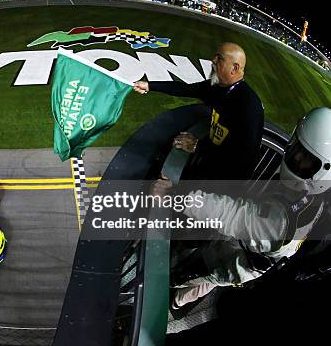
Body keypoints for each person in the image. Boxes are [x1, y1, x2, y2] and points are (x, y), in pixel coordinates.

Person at [153, 107, 330, 317]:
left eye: (306, 160)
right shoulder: (313, 191)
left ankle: (172, 303)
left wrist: (178, 196)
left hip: (239, 260)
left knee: (197, 275)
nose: (297, 159)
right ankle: (176, 302)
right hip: (247, 249)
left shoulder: (281, 220)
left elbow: (231, 215)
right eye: (297, 150)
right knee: (208, 278)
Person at [133, 42, 264, 180]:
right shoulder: (220, 87)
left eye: (219, 58)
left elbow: (240, 154)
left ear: (235, 68)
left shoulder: (249, 105)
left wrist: (197, 146)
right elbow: (186, 89)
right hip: (210, 164)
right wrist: (149, 85)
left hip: (226, 181)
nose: (213, 61)